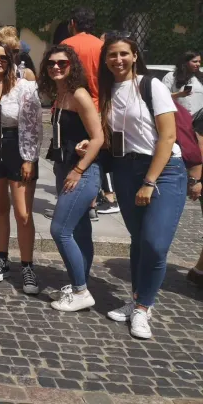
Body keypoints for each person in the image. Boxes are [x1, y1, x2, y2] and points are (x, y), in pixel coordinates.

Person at [98, 36, 187, 339]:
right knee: (139, 239)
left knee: (154, 243)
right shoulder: (107, 90)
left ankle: (143, 309)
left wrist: (149, 181)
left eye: (124, 53)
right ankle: (136, 300)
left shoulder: (152, 85)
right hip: (125, 170)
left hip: (163, 170)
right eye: (112, 55)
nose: (118, 59)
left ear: (135, 55)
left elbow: (168, 136)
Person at [37, 45, 103, 311]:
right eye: (51, 63)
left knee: (60, 230)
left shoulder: (79, 94)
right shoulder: (60, 93)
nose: (56, 67)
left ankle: (80, 291)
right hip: (65, 167)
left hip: (83, 171)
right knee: (80, 230)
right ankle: (80, 283)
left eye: (62, 63)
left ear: (72, 66)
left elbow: (98, 137)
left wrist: (78, 169)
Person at [0, 41, 42, 294]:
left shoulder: (25, 86)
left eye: (2, 57)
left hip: (19, 147)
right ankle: (1, 259)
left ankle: (27, 266)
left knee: (23, 214)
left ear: (11, 59)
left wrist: (29, 158)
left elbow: (35, 125)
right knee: (0, 209)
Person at [62, 7, 116, 218]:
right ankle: (91, 202)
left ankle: (72, 202)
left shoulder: (67, 45)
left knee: (70, 154)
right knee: (94, 153)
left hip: (73, 107)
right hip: (98, 106)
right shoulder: (102, 46)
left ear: (73, 23)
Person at [163, 51, 203, 126]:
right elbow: (162, 98)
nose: (198, 64)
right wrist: (179, 94)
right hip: (180, 121)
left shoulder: (200, 77)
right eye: (195, 61)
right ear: (185, 62)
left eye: (199, 62)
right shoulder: (171, 77)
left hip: (199, 123)